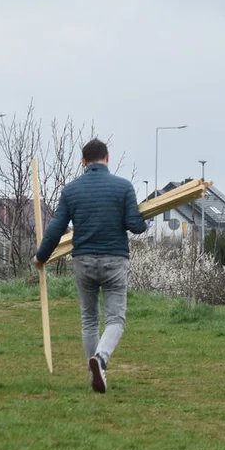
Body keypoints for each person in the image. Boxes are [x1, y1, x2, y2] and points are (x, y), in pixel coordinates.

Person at [33, 138, 147, 393]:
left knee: (89, 319)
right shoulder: (123, 187)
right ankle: (102, 358)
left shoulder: (71, 191)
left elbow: (56, 228)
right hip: (115, 260)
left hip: (83, 260)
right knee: (115, 318)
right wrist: (143, 218)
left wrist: (41, 256)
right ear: (107, 158)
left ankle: (94, 371)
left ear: (83, 162)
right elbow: (136, 226)